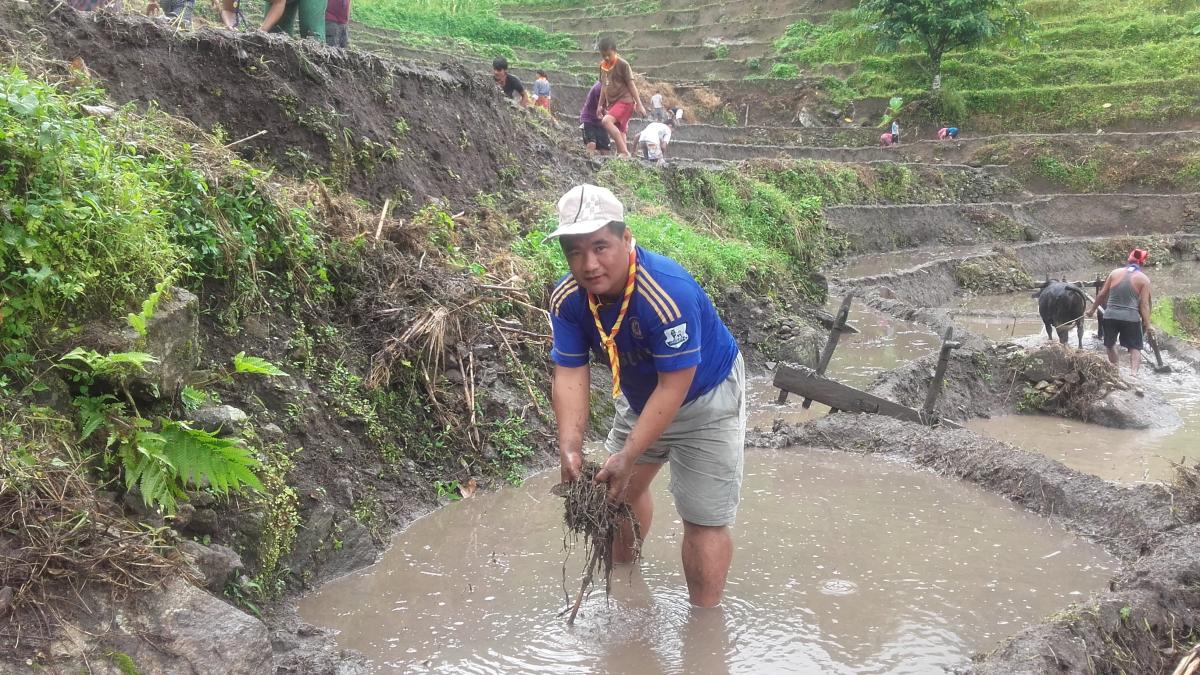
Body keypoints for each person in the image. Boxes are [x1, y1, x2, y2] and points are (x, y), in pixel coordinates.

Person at [547, 184, 745, 608]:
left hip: (706, 396)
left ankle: (704, 625)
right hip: (639, 397)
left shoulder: (667, 292)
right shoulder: (568, 299)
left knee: (704, 518)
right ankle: (626, 590)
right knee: (617, 493)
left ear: (626, 237)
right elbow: (569, 372)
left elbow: (676, 386)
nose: (590, 264)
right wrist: (570, 448)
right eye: (575, 252)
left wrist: (630, 453)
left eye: (600, 246)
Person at [1087, 248, 1153, 375]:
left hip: (1110, 315)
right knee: (1135, 347)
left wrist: (1091, 310)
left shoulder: (1114, 273)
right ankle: (1134, 374)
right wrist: (1148, 325)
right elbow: (1144, 305)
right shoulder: (1144, 279)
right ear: (1142, 263)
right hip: (1131, 318)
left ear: (1128, 260)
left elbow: (1101, 295)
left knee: (1110, 344)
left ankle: (1115, 371)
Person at [597, 36, 646, 158]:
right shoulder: (603, 66)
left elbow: (631, 84)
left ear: (615, 51)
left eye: (609, 54)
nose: (606, 58)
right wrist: (600, 105)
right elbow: (604, 86)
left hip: (625, 101)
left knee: (606, 121)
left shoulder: (623, 64)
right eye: (604, 55)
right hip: (613, 103)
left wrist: (639, 104)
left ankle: (624, 152)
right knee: (621, 131)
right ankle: (623, 158)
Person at [580, 82, 611, 156]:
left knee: (605, 149)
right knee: (591, 143)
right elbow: (602, 109)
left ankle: (605, 166)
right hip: (589, 119)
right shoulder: (599, 88)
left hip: (600, 122)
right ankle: (588, 164)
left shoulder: (609, 87)